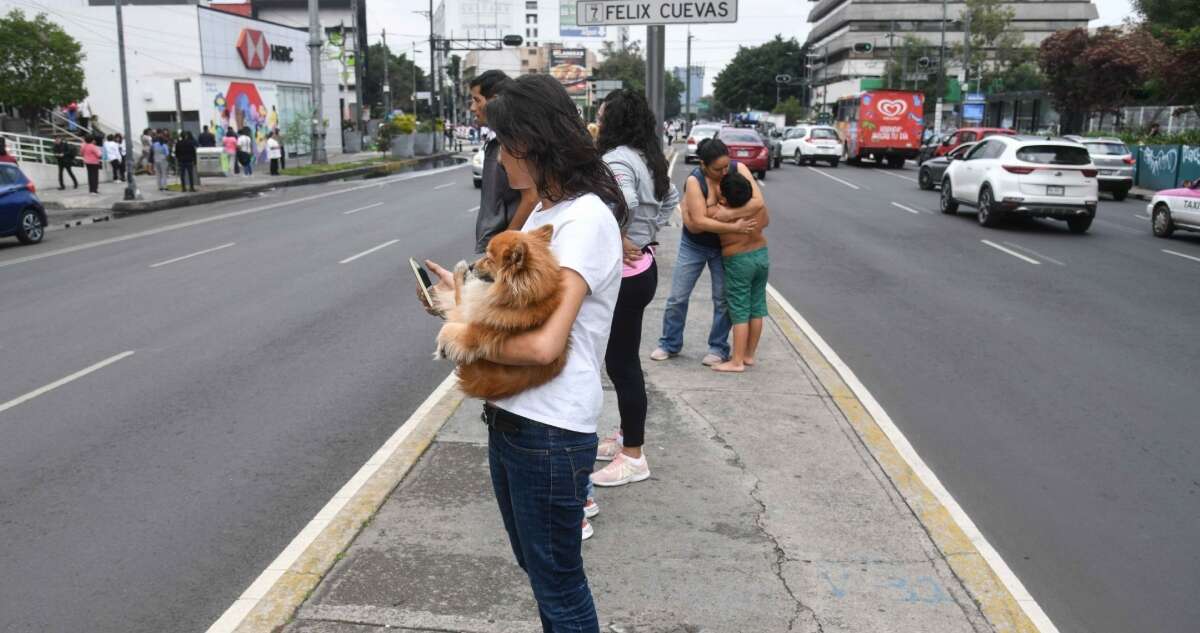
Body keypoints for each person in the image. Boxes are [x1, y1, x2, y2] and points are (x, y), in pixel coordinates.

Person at [421, 74, 626, 633]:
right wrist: (457, 305)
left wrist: (464, 334)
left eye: (501, 146)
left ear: (531, 143)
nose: (498, 162)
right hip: (514, 420)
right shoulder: (544, 212)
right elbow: (519, 312)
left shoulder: (584, 220)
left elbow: (543, 343)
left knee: (559, 584)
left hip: (551, 431)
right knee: (541, 573)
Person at [589, 89, 680, 497]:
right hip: (642, 266)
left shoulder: (616, 159)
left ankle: (634, 455)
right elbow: (671, 198)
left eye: (602, 113)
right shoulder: (648, 156)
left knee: (621, 365)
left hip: (624, 273)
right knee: (623, 361)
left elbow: (618, 200)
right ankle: (627, 436)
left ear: (616, 120)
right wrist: (646, 234)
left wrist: (621, 235)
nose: (597, 118)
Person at [649, 137, 761, 366]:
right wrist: (734, 225)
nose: (723, 172)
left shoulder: (738, 169)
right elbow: (698, 223)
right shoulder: (694, 181)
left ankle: (718, 348)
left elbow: (758, 203)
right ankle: (669, 343)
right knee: (677, 297)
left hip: (726, 248)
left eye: (725, 166)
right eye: (717, 169)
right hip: (694, 246)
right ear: (703, 164)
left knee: (722, 300)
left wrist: (722, 215)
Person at [469, 69, 539, 254]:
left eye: (477, 100)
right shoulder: (499, 139)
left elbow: (531, 198)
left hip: (513, 252)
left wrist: (505, 244)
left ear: (495, 100)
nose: (472, 108)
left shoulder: (513, 141)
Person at [708, 172, 769, 373]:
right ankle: (749, 355)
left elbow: (706, 215)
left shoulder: (721, 213)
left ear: (724, 197)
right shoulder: (757, 208)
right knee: (757, 307)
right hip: (761, 255)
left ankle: (737, 361)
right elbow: (766, 221)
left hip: (738, 260)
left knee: (739, 310)